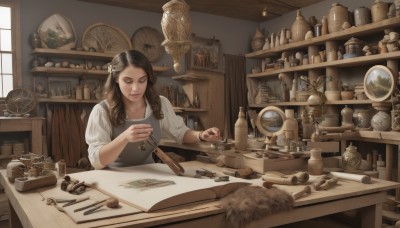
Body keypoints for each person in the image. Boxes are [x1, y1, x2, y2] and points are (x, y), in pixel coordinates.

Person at [86, 50, 221, 169]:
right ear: (116, 79)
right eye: (128, 81)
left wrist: (201, 135)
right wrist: (124, 138)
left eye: (142, 80)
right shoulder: (101, 111)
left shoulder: (159, 103)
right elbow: (96, 161)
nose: (136, 88)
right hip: (114, 177)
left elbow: (180, 133)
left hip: (150, 173)